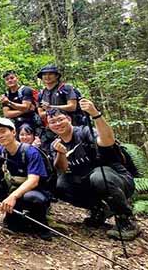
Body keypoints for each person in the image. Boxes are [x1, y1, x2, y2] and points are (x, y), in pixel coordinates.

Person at [47, 101, 140, 240]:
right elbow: (62, 169)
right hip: (88, 184)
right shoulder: (55, 144)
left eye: (60, 119)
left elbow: (107, 141)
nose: (57, 124)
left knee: (98, 177)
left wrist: (95, 115)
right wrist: (60, 153)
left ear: (69, 119)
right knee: (59, 184)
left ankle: (126, 220)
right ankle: (99, 210)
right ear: (48, 126)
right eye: (52, 122)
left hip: (116, 179)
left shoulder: (85, 132)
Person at [0, 118, 53, 240]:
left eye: (3, 131)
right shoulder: (1, 150)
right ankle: (11, 212)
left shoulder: (30, 152)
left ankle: (41, 223)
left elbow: (33, 181)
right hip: (14, 189)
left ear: (13, 132)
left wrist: (12, 196)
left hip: (35, 192)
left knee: (31, 197)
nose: (0, 136)